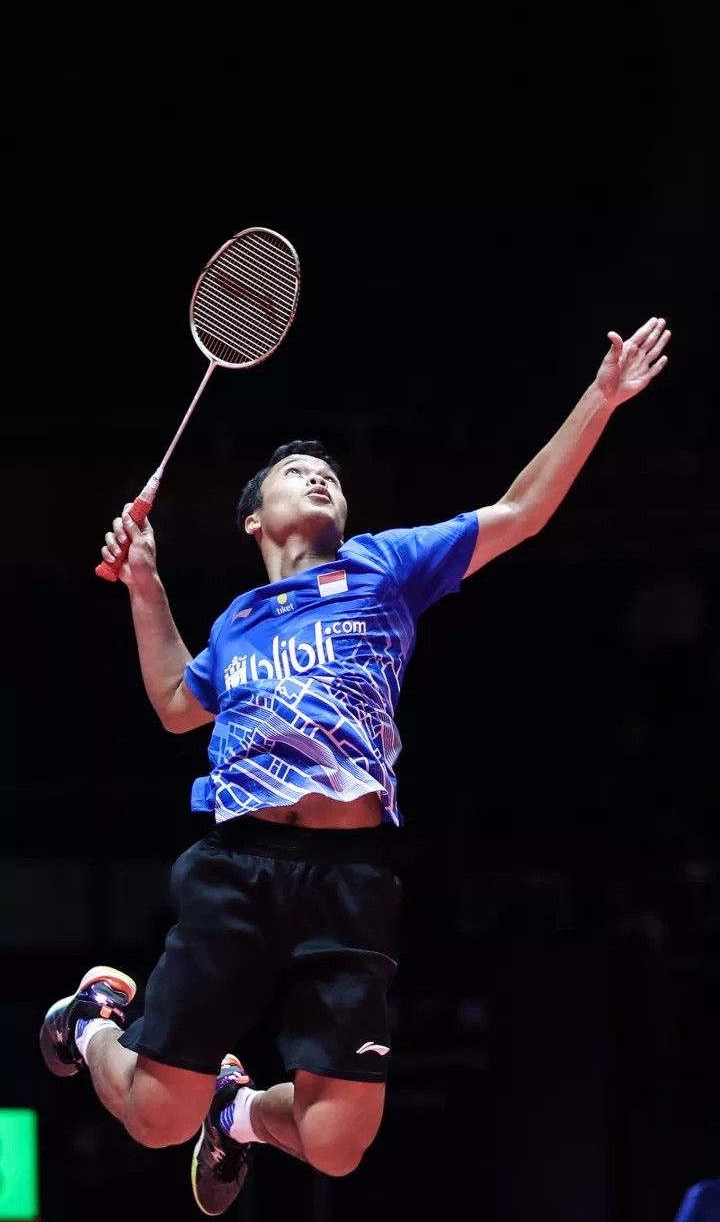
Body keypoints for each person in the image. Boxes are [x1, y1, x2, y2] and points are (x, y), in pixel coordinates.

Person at [39, 314, 671, 1217]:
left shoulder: (384, 568)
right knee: (149, 1118)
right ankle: (94, 1020)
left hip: (349, 873)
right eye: (300, 473)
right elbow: (179, 704)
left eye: (331, 475)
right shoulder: (236, 622)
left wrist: (599, 399)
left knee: (337, 1146)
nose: (322, 477)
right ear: (255, 516)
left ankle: (242, 1113)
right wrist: (146, 587)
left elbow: (521, 514)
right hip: (236, 867)